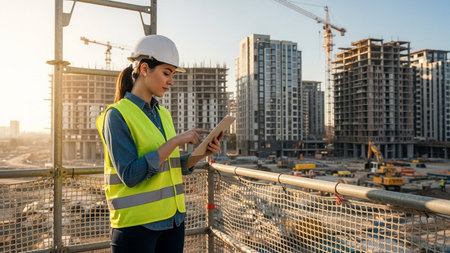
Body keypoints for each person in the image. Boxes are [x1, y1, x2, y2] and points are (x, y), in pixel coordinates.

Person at [96, 34, 223, 253]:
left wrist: (201, 154)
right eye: (166, 73)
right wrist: (175, 141)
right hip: (137, 227)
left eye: (172, 74)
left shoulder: (162, 114)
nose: (171, 81)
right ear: (144, 69)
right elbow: (130, 175)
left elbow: (170, 165)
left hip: (173, 221)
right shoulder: (116, 115)